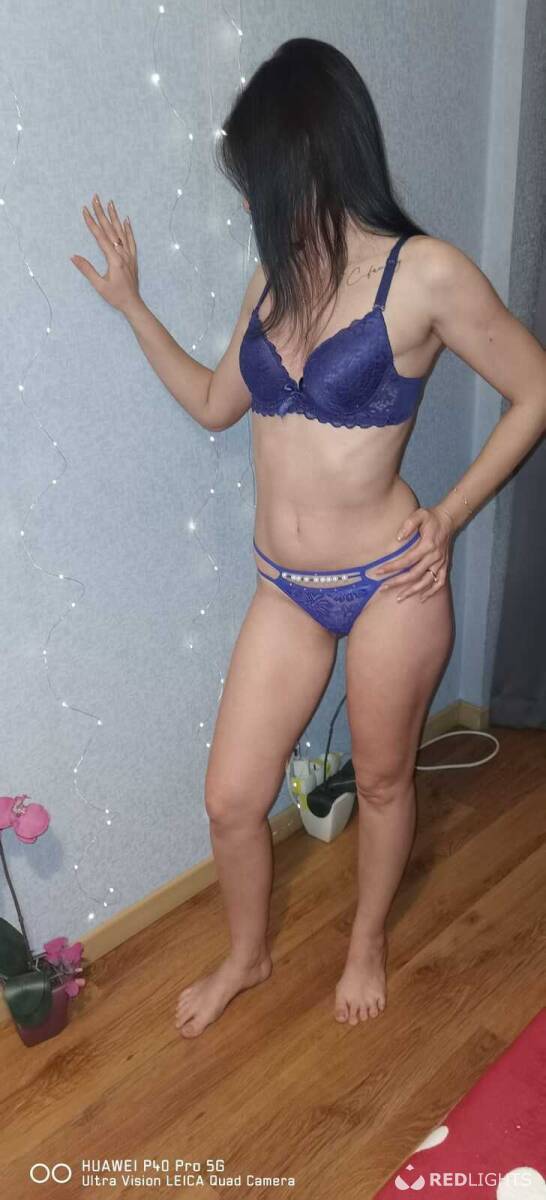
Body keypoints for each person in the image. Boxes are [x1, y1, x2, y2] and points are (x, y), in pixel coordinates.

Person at [71, 38, 546, 1040]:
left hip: (390, 582)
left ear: (311, 155)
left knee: (382, 778)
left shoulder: (426, 273)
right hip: (285, 587)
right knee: (231, 800)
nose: (252, 201)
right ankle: (247, 955)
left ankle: (366, 940)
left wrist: (449, 515)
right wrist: (132, 306)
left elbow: (535, 389)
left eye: (258, 178)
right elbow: (215, 403)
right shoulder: (270, 280)